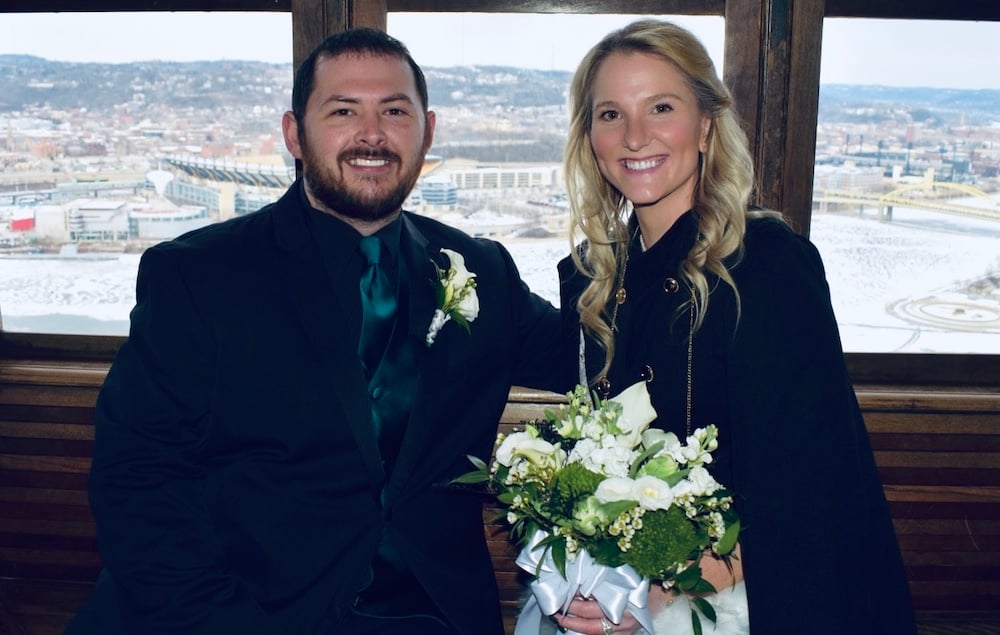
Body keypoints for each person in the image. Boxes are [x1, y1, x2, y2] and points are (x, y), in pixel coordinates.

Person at [66, 27, 568, 635]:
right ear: (293, 134)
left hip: (432, 615)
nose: (372, 134)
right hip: (244, 615)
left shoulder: (481, 270)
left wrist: (640, 212)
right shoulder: (197, 276)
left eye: (395, 111)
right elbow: (138, 484)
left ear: (428, 131)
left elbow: (594, 355)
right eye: (343, 111)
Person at [551, 19, 916, 635]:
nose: (635, 136)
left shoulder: (767, 264)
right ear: (590, 137)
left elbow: (807, 479)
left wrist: (658, 591)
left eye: (661, 107)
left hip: (746, 600)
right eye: (610, 114)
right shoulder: (590, 278)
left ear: (705, 125)